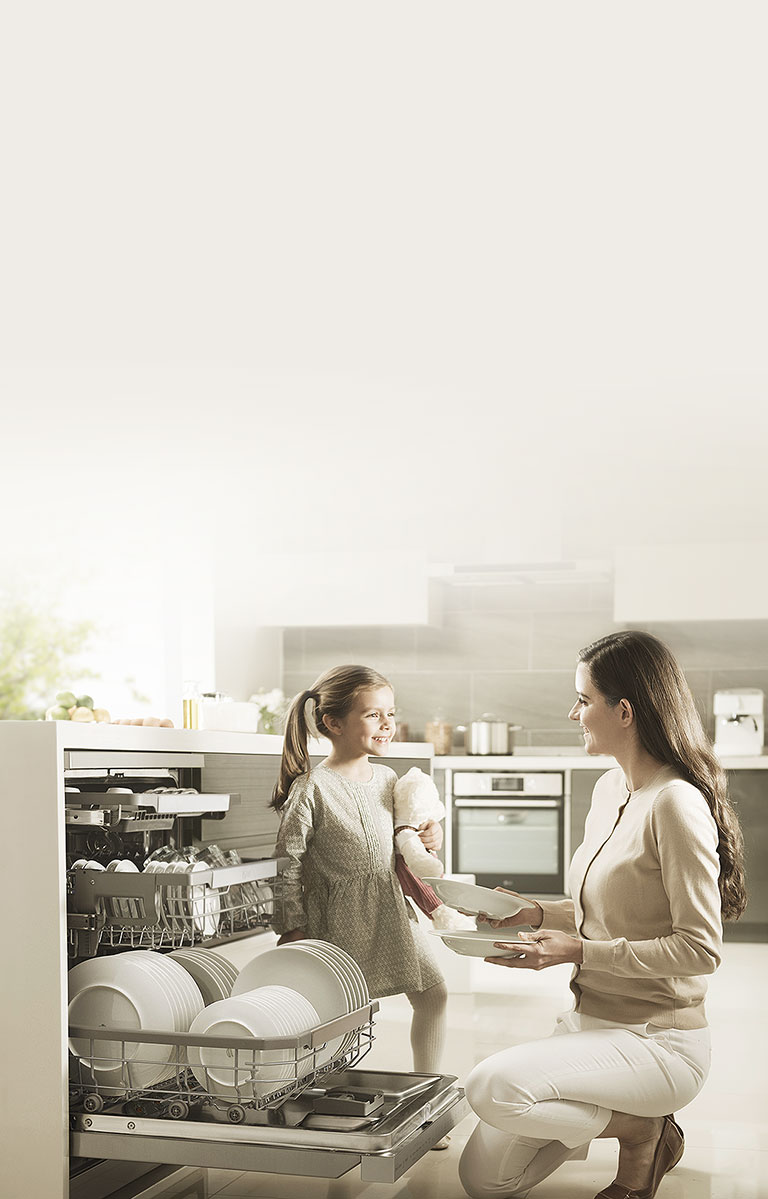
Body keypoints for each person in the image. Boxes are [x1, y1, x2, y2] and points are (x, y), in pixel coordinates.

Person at [459, 630, 747, 1199]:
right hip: (589, 1023)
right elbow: (610, 908)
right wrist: (533, 911)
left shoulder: (676, 803)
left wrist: (578, 950)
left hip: (657, 1041)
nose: (573, 713)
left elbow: (700, 949)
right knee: (484, 1181)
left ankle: (644, 1130)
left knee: (491, 1088)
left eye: (583, 700)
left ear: (624, 711)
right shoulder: (609, 788)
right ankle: (629, 1123)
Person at [269, 664, 448, 1077]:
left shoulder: (387, 778)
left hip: (389, 909)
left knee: (434, 992)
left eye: (391, 712)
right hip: (337, 922)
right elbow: (287, 862)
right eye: (373, 715)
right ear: (333, 723)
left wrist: (429, 835)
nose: (388, 724)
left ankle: (426, 1086)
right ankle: (319, 1086)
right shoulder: (312, 786)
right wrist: (290, 925)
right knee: (339, 1012)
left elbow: (404, 837)